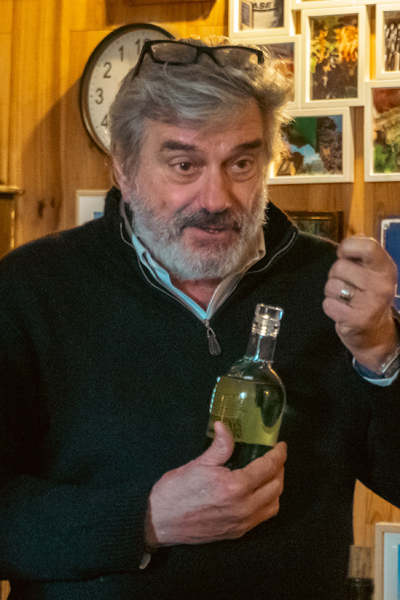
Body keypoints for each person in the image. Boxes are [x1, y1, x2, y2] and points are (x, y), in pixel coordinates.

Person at [0, 37, 399, 600]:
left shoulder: (334, 287)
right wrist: (145, 520)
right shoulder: (28, 288)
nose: (216, 198)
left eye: (241, 163)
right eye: (184, 164)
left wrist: (383, 352)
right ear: (123, 168)